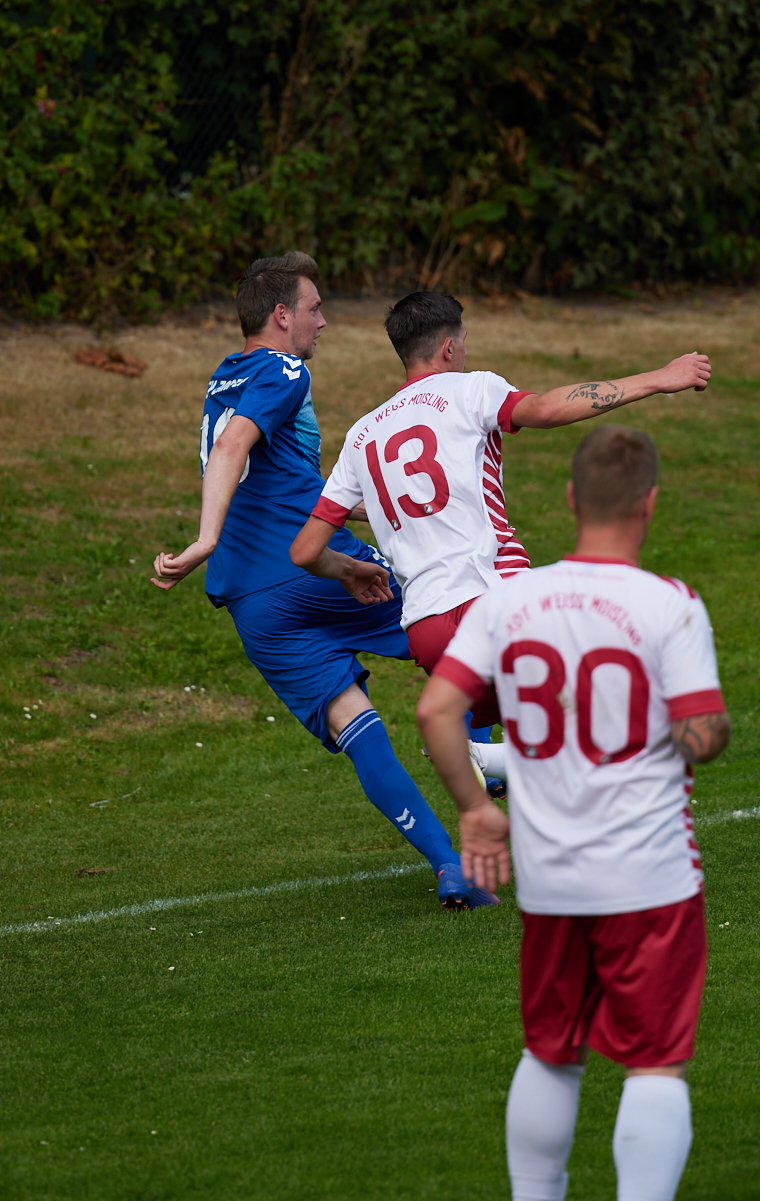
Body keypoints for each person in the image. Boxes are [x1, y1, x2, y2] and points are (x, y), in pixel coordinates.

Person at [416, 425, 729, 1201]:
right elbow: (703, 733)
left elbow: (435, 709)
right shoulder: (670, 605)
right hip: (650, 876)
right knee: (654, 1061)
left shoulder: (508, 601)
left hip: (552, 878)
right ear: (649, 504)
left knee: (551, 1050)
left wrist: (474, 811)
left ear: (569, 499)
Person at [151, 253, 495, 907]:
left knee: (357, 728)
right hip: (319, 570)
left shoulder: (222, 380)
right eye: (314, 308)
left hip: (253, 604)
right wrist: (204, 538)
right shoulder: (284, 370)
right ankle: (487, 761)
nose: (323, 321)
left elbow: (280, 482)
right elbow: (231, 449)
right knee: (462, 629)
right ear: (282, 316)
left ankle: (451, 867)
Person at [287, 290, 710, 787]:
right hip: (494, 601)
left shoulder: (362, 436)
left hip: (427, 631)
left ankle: (488, 761)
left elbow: (306, 550)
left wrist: (349, 570)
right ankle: (486, 760)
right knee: (609, 704)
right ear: (449, 347)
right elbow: (547, 409)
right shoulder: (471, 390)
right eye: (464, 341)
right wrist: (660, 378)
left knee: (557, 747)